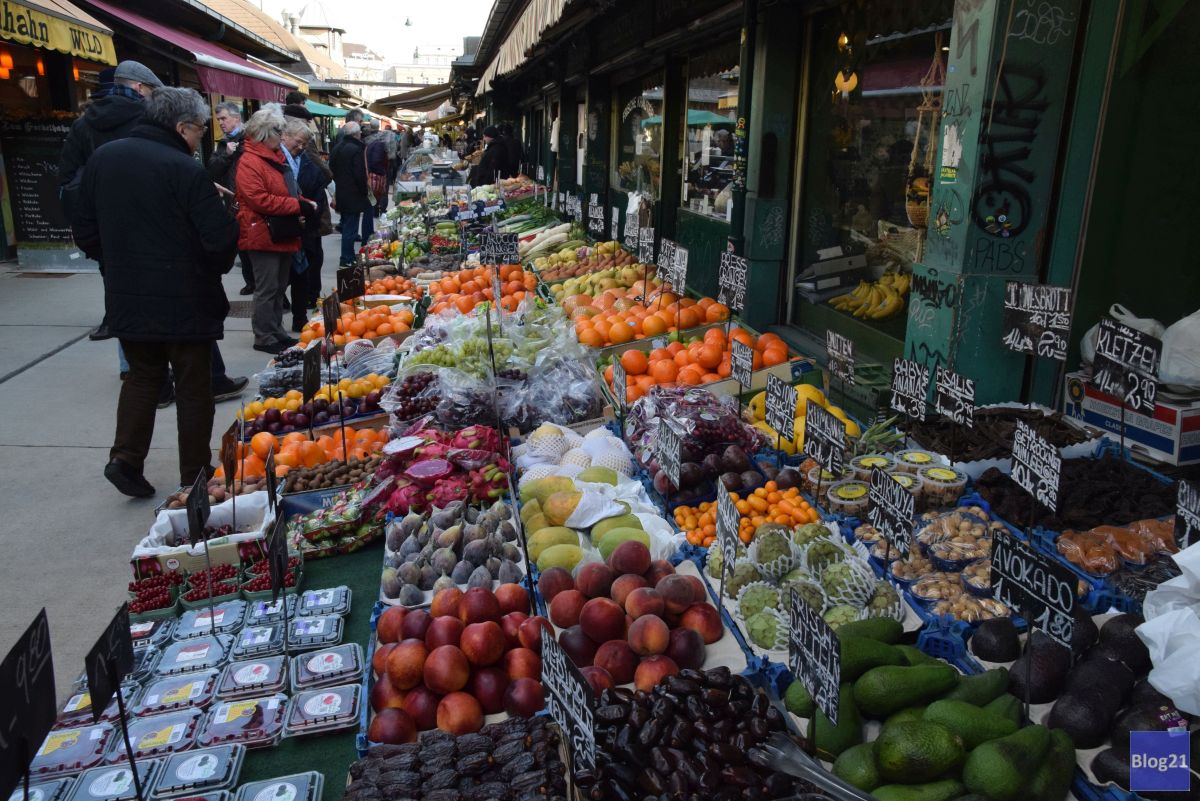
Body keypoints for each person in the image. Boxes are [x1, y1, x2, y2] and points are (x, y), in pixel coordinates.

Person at [72, 87, 240, 497]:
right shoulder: (185, 169)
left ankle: (124, 459)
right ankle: (195, 473)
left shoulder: (104, 158)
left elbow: (84, 227)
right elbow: (218, 244)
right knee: (193, 386)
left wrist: (115, 263)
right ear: (182, 127)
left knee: (142, 378)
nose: (204, 137)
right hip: (185, 296)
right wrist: (226, 221)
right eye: (202, 129)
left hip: (128, 293)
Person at [234, 106, 313, 354]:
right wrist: (296, 205)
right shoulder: (250, 160)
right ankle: (264, 336)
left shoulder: (273, 157)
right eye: (278, 131)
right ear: (265, 133)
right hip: (262, 232)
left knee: (279, 286)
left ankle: (276, 330)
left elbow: (284, 189)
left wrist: (299, 203)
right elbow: (258, 198)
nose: (282, 136)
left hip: (279, 231)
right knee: (267, 288)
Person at [281, 118, 330, 331]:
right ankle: (274, 322)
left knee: (303, 272)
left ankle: (299, 318)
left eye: (303, 144)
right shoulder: (277, 158)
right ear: (285, 136)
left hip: (307, 226)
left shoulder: (306, 160)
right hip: (284, 225)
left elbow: (320, 188)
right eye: (298, 142)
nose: (300, 147)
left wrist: (311, 212)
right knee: (284, 275)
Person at [209, 101, 255, 296]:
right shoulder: (222, 143)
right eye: (218, 119)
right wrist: (227, 154)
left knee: (254, 243)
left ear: (237, 118)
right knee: (241, 244)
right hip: (232, 201)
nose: (220, 123)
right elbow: (212, 169)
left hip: (250, 200)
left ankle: (261, 282)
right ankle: (250, 281)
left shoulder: (250, 139)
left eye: (224, 118)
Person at [331, 121, 372, 266]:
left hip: (342, 191)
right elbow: (359, 174)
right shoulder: (355, 149)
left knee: (348, 225)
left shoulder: (337, 148)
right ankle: (347, 258)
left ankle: (347, 257)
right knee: (350, 228)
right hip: (353, 194)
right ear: (356, 133)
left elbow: (332, 169)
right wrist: (364, 191)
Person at [365, 120, 390, 215]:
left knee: (373, 192)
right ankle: (378, 209)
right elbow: (376, 161)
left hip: (370, 171)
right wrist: (383, 172)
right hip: (376, 173)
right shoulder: (379, 144)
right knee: (379, 191)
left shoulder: (366, 140)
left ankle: (375, 210)